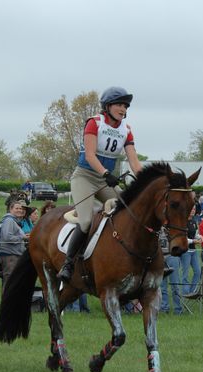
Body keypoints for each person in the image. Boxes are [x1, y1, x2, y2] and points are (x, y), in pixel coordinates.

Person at [57, 87, 143, 281]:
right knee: (86, 221)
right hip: (85, 177)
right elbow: (89, 155)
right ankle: (68, 263)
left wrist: (146, 179)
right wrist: (106, 173)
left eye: (125, 105)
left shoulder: (126, 130)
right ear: (107, 106)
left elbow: (134, 162)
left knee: (132, 212)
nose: (123, 108)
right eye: (119, 104)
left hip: (105, 181)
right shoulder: (94, 123)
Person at [0, 201, 27, 289]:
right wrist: (22, 238)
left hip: (13, 255)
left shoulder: (13, 221)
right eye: (16, 208)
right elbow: (7, 237)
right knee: (9, 281)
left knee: (11, 281)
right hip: (10, 255)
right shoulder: (9, 220)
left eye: (20, 208)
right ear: (11, 209)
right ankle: (6, 302)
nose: (19, 210)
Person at [180, 205, 202, 294]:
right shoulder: (182, 222)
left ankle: (192, 291)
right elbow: (182, 238)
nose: (193, 210)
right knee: (185, 273)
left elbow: (196, 234)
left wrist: (200, 237)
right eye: (191, 209)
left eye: (194, 209)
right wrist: (193, 241)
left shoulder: (194, 221)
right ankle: (185, 292)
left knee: (198, 271)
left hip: (193, 251)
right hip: (185, 251)